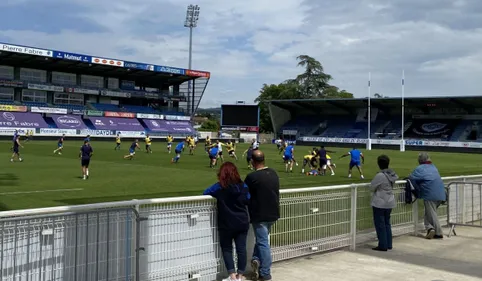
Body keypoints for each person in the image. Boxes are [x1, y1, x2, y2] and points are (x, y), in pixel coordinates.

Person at [203, 162, 250, 281]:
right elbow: (248, 199)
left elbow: (205, 193)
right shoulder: (243, 186)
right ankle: (240, 276)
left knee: (227, 249)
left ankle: (232, 277)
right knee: (241, 249)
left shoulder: (219, 187)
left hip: (226, 222)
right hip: (242, 221)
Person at [244, 150, 280, 281]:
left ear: (253, 161)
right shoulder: (273, 173)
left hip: (260, 214)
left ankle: (265, 272)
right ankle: (255, 259)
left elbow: (244, 194)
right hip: (273, 212)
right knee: (262, 241)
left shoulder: (252, 177)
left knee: (263, 242)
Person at [408, 152, 446, 239]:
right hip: (441, 193)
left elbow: (412, 177)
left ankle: (438, 232)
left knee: (432, 214)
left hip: (430, 194)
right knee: (429, 213)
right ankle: (430, 228)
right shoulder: (434, 167)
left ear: (420, 160)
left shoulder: (420, 168)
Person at [370, 155, 398, 251]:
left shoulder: (380, 175)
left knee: (380, 224)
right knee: (387, 223)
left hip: (380, 202)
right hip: (389, 201)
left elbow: (372, 187)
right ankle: (388, 243)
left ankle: (383, 244)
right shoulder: (391, 174)